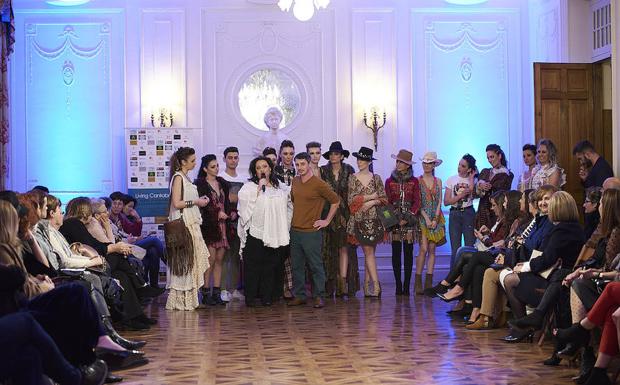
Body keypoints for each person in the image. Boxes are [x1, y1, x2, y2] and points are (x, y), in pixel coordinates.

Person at [237, 156, 292, 306]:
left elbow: (289, 204)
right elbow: (243, 205)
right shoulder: (249, 187)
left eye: (265, 166)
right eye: (258, 167)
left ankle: (267, 297)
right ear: (255, 171)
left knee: (271, 265)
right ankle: (250, 298)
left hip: (274, 233)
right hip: (256, 232)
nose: (262, 169)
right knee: (253, 267)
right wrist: (258, 189)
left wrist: (285, 226)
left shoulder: (279, 186)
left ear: (270, 168)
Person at [288, 152, 340, 308]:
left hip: (311, 232)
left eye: (302, 164)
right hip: (295, 231)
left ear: (309, 163)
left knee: (315, 265)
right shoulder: (295, 181)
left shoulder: (319, 184)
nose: (300, 167)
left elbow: (335, 201)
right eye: (297, 165)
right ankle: (300, 295)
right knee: (296, 266)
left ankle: (319, 295)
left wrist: (326, 221)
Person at [166, 147, 211, 310]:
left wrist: (198, 201)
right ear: (183, 162)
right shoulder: (178, 178)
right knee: (185, 263)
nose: (195, 163)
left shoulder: (185, 177)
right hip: (184, 224)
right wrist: (197, 202)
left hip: (191, 223)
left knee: (192, 262)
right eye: (192, 160)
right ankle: (180, 301)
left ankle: (190, 300)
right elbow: (176, 203)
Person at [347, 147, 388, 298]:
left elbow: (384, 199)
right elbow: (351, 201)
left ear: (369, 161)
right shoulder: (352, 177)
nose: (360, 162)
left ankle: (367, 286)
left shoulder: (376, 178)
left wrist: (371, 202)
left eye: (363, 159)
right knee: (368, 252)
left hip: (375, 221)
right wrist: (371, 196)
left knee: (369, 253)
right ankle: (376, 286)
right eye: (358, 159)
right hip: (358, 220)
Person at [320, 141, 359, 297]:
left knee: (345, 248)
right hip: (327, 214)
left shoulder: (349, 170)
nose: (333, 156)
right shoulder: (323, 171)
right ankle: (330, 286)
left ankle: (343, 283)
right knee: (329, 250)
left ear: (342, 156)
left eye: (336, 153)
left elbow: (353, 193)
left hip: (345, 214)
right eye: (331, 154)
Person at [195, 154, 232, 306]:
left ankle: (216, 292)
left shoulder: (222, 183)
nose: (216, 169)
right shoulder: (200, 184)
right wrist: (217, 214)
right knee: (209, 260)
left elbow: (227, 202)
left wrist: (230, 213)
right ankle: (205, 293)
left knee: (219, 260)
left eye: (217, 166)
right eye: (212, 166)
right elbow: (201, 207)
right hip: (210, 226)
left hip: (223, 226)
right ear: (205, 169)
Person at [385, 149, 420, 296]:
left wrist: (408, 217)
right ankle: (398, 286)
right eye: (398, 161)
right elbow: (386, 203)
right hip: (394, 222)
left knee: (408, 254)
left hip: (410, 223)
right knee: (396, 254)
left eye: (402, 162)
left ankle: (406, 286)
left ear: (408, 165)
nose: (398, 164)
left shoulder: (414, 181)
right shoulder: (389, 181)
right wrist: (394, 219)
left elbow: (417, 202)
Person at [218, 146, 246, 302]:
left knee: (236, 256)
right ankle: (222, 289)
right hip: (223, 222)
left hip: (239, 222)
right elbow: (224, 199)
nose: (233, 160)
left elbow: (241, 200)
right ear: (224, 159)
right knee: (223, 257)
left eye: (236, 157)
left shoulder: (243, 178)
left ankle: (234, 288)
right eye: (230, 157)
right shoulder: (220, 178)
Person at [415, 151, 446, 294]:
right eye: (424, 163)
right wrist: (427, 218)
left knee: (432, 249)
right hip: (423, 217)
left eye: (429, 163)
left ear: (434, 165)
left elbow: (439, 201)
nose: (426, 165)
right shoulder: (418, 181)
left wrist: (435, 218)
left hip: (436, 218)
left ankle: (428, 282)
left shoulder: (438, 181)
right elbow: (418, 202)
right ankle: (418, 281)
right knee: (423, 248)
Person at [444, 154, 477, 269]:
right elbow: (446, 201)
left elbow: (473, 196)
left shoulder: (473, 180)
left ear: (469, 169)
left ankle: (469, 278)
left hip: (468, 213)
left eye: (463, 166)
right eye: (459, 164)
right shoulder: (451, 179)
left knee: (470, 245)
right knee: (455, 248)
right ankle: (452, 278)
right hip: (455, 213)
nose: (459, 167)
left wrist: (472, 179)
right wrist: (460, 196)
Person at [475, 144, 514, 229]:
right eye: (488, 158)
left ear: (499, 156)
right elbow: (474, 193)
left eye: (492, 157)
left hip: (496, 213)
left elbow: (501, 192)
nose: (489, 160)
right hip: (482, 213)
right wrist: (479, 185)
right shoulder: (485, 172)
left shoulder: (507, 175)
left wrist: (487, 186)